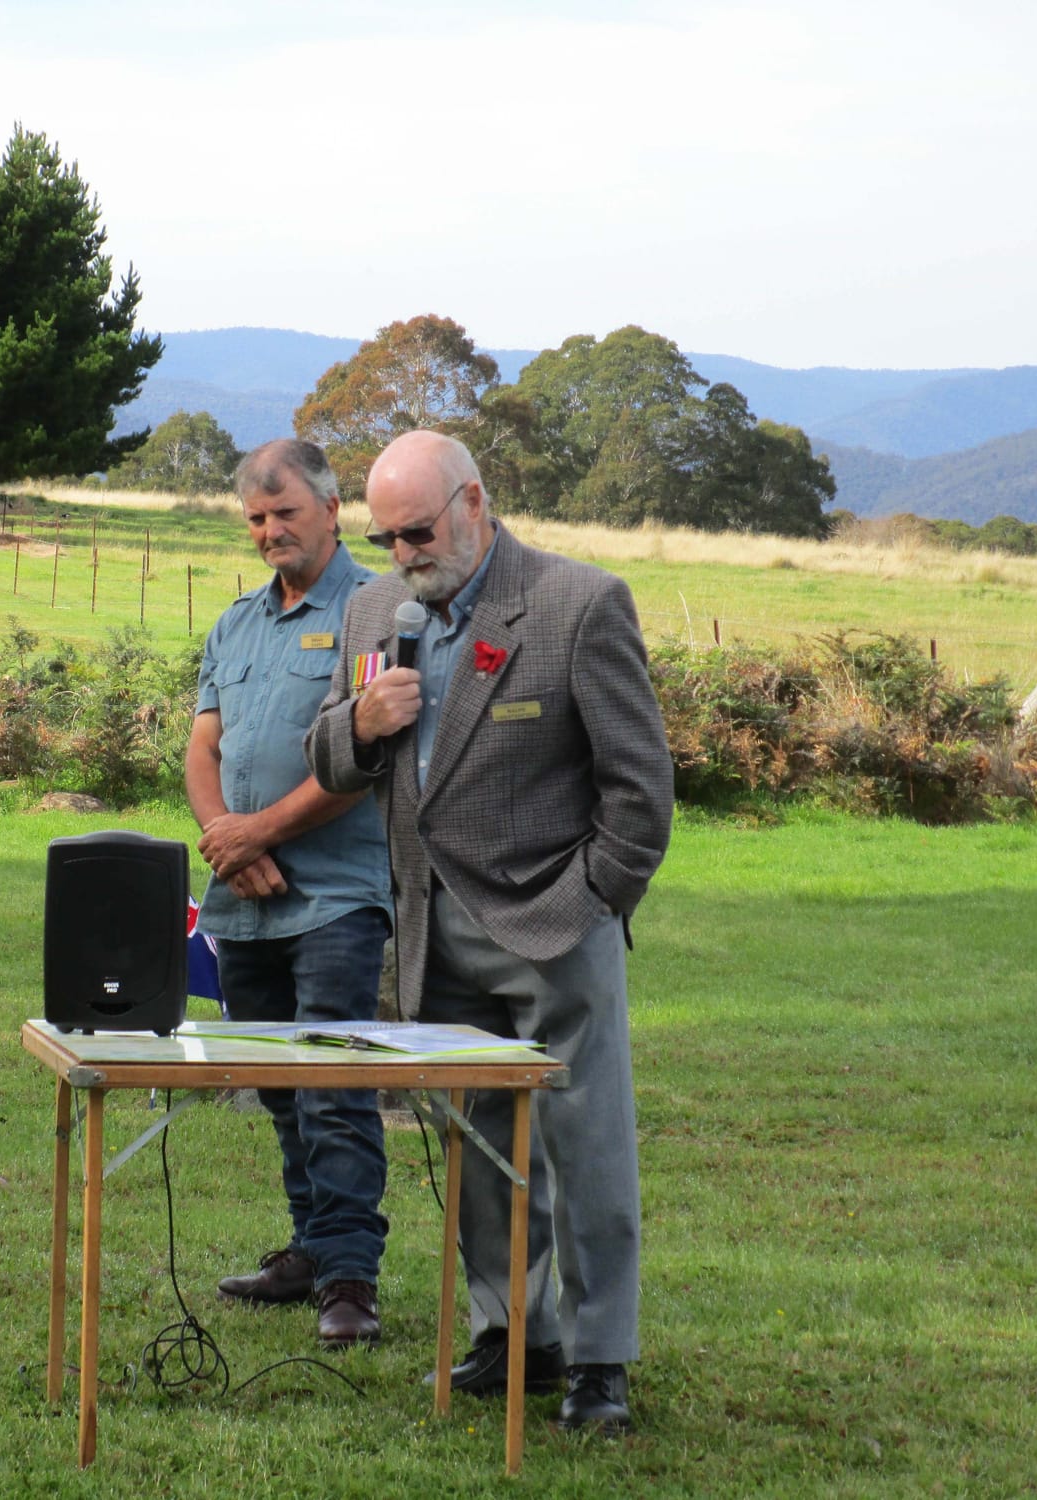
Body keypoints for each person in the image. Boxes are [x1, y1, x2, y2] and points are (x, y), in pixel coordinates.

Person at [304, 430, 673, 1433]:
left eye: (416, 531)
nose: (403, 554)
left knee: (582, 1149)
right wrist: (362, 726)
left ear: (473, 502)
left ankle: (600, 1360)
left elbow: (639, 795)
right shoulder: (375, 610)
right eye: (384, 537)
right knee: (473, 1150)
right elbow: (329, 759)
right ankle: (513, 1333)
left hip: (555, 930)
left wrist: (588, 901)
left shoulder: (574, 605)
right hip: (432, 931)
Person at [186, 439, 394, 1349]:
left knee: (332, 1082)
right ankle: (309, 1249)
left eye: (287, 514)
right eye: (258, 520)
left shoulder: (378, 611)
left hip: (338, 894)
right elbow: (203, 748)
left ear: (333, 508)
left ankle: (351, 1276)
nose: (272, 532)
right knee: (277, 1081)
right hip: (244, 894)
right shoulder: (234, 624)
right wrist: (228, 846)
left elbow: (367, 758)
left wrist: (258, 833)